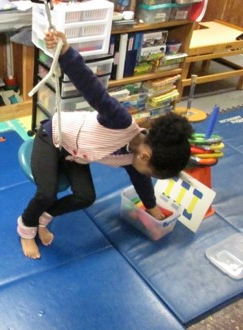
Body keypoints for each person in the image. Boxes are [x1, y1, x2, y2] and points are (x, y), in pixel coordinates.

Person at [17, 30, 194, 259]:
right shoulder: (120, 121)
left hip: (75, 154)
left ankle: (44, 217)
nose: (146, 175)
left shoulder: (135, 158)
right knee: (46, 193)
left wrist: (151, 207)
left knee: (86, 196)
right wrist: (66, 52)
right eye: (152, 172)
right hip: (52, 137)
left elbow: (141, 181)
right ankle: (25, 227)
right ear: (145, 157)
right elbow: (92, 89)